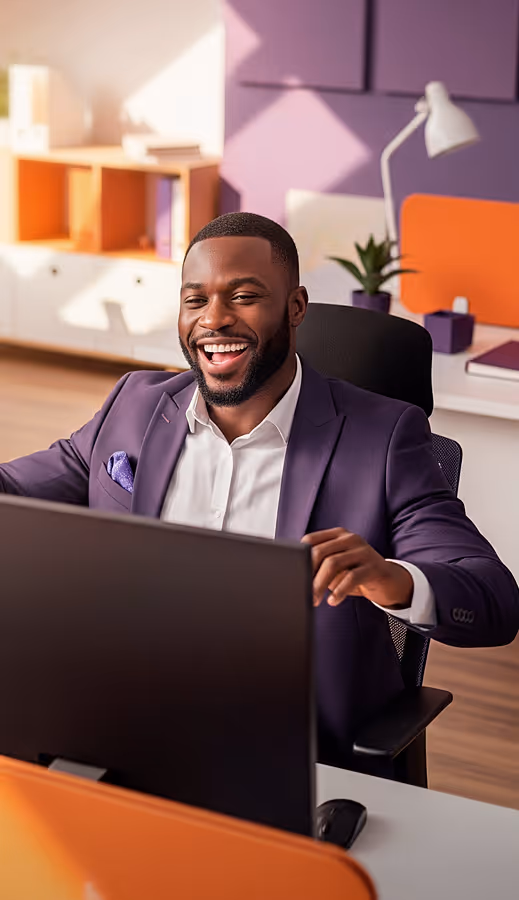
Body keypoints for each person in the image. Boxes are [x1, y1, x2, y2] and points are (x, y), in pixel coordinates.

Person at [1, 212, 518, 771]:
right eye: (195, 301)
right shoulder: (136, 405)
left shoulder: (384, 438)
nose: (214, 320)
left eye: (244, 297)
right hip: (126, 723)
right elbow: (17, 485)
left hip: (287, 748)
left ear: (295, 307)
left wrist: (391, 579)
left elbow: (492, 599)